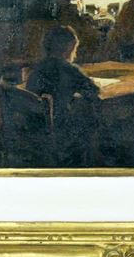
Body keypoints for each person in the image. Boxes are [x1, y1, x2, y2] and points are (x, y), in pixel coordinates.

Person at [26, 25, 100, 165]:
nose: (75, 53)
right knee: (92, 120)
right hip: (58, 130)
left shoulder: (38, 67)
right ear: (69, 47)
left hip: (36, 127)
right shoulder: (70, 69)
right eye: (75, 49)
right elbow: (94, 91)